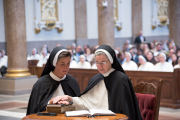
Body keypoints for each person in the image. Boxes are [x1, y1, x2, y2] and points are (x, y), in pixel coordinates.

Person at [52, 45, 142, 120]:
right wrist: (69, 98)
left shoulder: (121, 79)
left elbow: (125, 109)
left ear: (111, 61)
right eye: (97, 62)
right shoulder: (96, 78)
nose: (100, 66)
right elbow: (86, 103)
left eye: (103, 62)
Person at [27, 46, 81, 115]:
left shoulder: (72, 81)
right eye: (62, 64)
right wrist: (50, 102)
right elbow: (35, 109)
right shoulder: (41, 83)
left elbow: (80, 105)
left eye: (68, 63)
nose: (66, 67)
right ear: (54, 63)